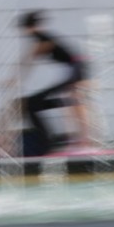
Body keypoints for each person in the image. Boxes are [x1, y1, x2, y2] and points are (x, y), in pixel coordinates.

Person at [18, 11, 90, 154]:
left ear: (29, 27)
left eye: (25, 28)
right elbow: (29, 58)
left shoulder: (43, 38)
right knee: (72, 103)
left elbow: (29, 59)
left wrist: (17, 78)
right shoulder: (42, 38)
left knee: (74, 103)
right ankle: (80, 139)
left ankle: (83, 140)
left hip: (77, 68)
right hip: (76, 67)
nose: (24, 32)